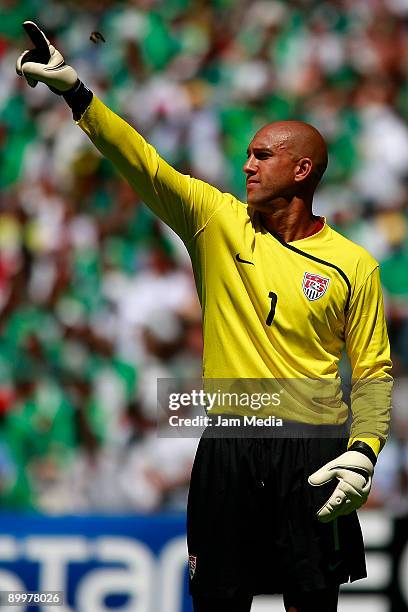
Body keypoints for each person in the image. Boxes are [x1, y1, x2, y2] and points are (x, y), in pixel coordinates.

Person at [16, 22, 393, 612]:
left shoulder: (354, 265)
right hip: (229, 440)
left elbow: (372, 372)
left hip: (313, 448)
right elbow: (146, 165)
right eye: (245, 154)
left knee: (312, 603)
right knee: (218, 600)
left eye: (262, 156)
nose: (246, 166)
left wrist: (364, 453)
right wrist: (77, 94)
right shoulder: (216, 221)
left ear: (301, 172)